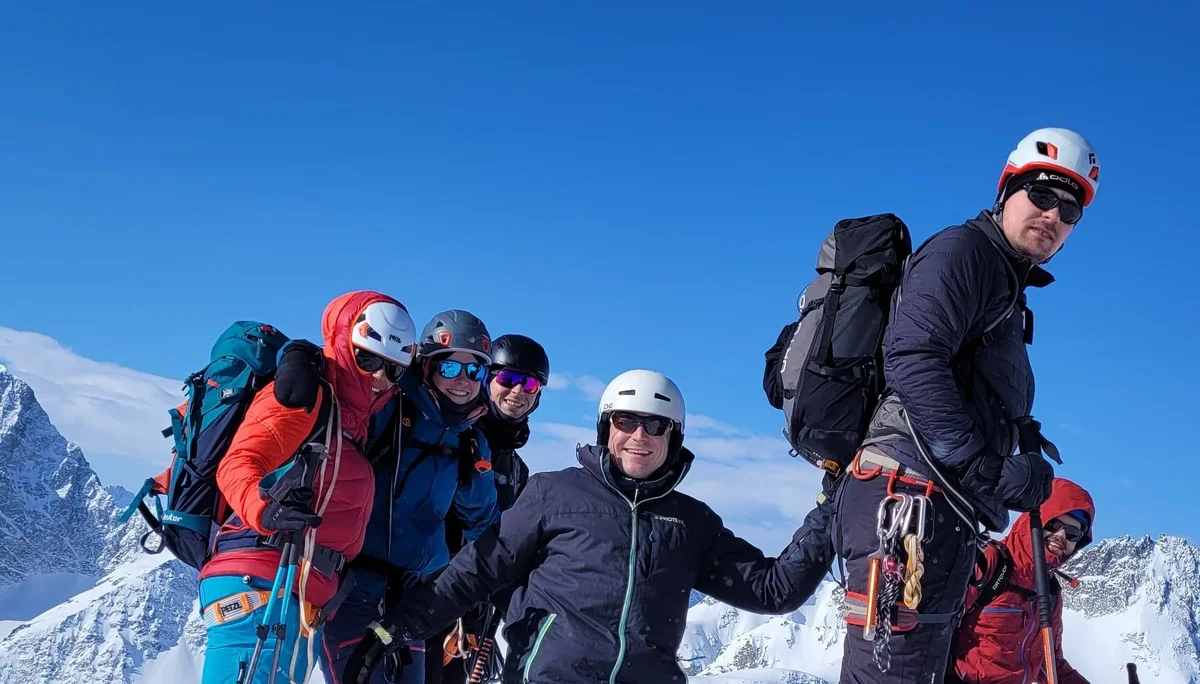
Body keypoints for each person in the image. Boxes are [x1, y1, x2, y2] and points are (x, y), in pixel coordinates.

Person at [344, 369, 834, 684]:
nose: (639, 436)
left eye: (656, 425)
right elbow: (474, 572)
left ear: (674, 436)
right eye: (626, 421)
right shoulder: (554, 494)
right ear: (606, 428)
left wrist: (832, 506)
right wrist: (391, 632)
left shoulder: (692, 523)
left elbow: (773, 591)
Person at [834, 128, 1101, 683]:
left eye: (1069, 208)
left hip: (940, 507)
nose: (1053, 214)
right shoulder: (965, 252)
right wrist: (983, 465)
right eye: (1042, 194)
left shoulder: (1005, 285)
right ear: (1007, 191)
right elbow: (912, 355)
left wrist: (1020, 438)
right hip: (907, 503)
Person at [198, 291, 417, 684]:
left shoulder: (353, 418)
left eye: (394, 370)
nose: (380, 379)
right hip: (262, 582)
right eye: (368, 360)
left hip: (298, 594)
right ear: (346, 346)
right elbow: (239, 462)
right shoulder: (307, 395)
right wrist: (265, 508)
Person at [317, 309, 501, 684]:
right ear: (427, 366)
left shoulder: (469, 438)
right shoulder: (387, 407)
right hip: (351, 590)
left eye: (475, 370)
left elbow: (482, 521)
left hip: (412, 603)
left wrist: (474, 474)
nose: (463, 381)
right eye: (450, 368)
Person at [433, 334, 550, 684]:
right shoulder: (451, 437)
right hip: (427, 601)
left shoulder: (518, 472)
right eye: (507, 379)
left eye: (529, 383)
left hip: (475, 618)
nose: (518, 391)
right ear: (487, 379)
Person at [948, 477, 1095, 684]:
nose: (1060, 535)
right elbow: (934, 625)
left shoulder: (1050, 592)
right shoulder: (990, 561)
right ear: (1035, 521)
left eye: (1072, 533)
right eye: (1054, 523)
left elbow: (1049, 664)